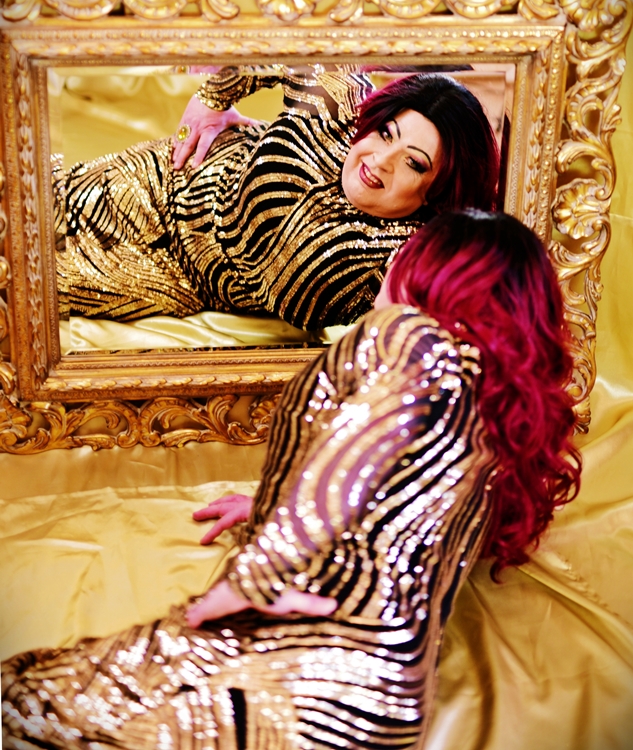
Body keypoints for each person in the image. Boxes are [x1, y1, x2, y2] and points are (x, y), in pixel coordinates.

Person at [3, 210, 581, 750]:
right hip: (389, 712)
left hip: (302, 673)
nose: (391, 259)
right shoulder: (491, 414)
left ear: (437, 273)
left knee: (29, 703)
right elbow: (398, 505)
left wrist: (253, 580)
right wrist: (272, 503)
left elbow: (353, 455)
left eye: (411, 249)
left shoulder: (408, 336)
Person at [55, 65, 500, 329]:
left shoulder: (394, 260)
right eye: (386, 133)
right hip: (158, 176)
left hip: (166, 270)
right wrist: (213, 99)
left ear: (438, 193)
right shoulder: (338, 113)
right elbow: (300, 42)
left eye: (414, 163)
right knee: (34, 199)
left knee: (33, 279)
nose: (381, 160)